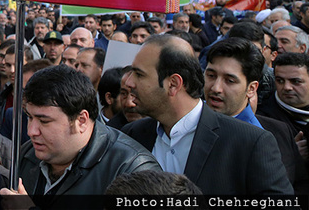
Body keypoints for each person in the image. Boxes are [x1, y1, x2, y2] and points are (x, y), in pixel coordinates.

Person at [122, 34, 292, 194]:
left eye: (139, 74)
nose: (128, 82)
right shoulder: (132, 135)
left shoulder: (250, 143)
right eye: (210, 75)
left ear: (173, 84)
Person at [2, 65, 159, 207]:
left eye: (44, 121)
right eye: (29, 117)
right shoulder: (27, 154)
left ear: (81, 120)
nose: (31, 131)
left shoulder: (131, 169)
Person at [204, 38, 309, 193]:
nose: (216, 88)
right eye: (211, 76)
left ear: (251, 88)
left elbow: (299, 186)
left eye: (230, 80)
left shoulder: (279, 131)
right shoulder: (186, 127)